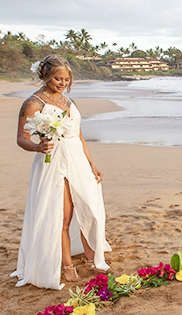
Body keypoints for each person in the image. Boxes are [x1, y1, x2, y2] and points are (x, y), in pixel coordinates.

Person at [12, 54, 111, 290]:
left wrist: (92, 163)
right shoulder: (33, 103)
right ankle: (66, 264)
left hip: (77, 158)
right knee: (62, 216)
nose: (62, 83)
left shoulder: (69, 102)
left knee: (90, 208)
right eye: (58, 78)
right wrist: (37, 146)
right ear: (46, 75)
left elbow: (78, 134)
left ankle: (92, 258)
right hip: (53, 161)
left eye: (66, 79)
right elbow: (21, 139)